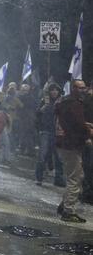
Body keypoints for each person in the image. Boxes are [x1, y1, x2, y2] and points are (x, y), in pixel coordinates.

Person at [55, 79, 92, 223]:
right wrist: (88, 132)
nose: (83, 90)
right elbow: (77, 125)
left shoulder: (66, 102)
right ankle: (68, 211)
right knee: (74, 179)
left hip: (66, 144)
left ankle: (64, 205)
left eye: (84, 87)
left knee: (77, 176)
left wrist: (85, 125)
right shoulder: (74, 104)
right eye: (80, 88)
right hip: (71, 144)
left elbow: (75, 122)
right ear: (74, 89)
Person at [35, 84, 65, 187]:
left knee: (58, 157)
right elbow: (38, 113)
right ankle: (39, 177)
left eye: (56, 90)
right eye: (52, 90)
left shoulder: (61, 102)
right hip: (45, 130)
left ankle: (59, 179)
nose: (54, 92)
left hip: (57, 132)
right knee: (42, 155)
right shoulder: (44, 101)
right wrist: (45, 105)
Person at [17, 83, 37, 156]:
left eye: (26, 90)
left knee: (29, 135)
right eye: (23, 90)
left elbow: (34, 106)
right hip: (22, 118)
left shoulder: (31, 97)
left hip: (30, 119)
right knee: (23, 134)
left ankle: (30, 150)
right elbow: (17, 107)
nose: (25, 91)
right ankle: (22, 149)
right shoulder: (19, 97)